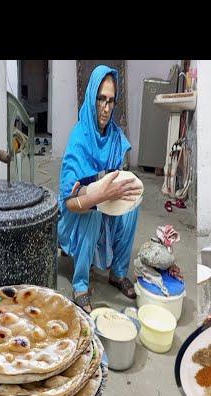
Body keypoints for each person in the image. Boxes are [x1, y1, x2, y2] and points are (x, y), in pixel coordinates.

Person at [58, 65, 143, 313]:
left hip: (103, 204)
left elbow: (117, 179)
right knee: (93, 210)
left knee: (132, 205)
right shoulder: (79, 138)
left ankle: (117, 273)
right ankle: (81, 284)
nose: (106, 108)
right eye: (101, 99)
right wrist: (99, 195)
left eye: (111, 101)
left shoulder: (115, 136)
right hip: (76, 216)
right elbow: (71, 202)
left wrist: (118, 193)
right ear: (91, 98)